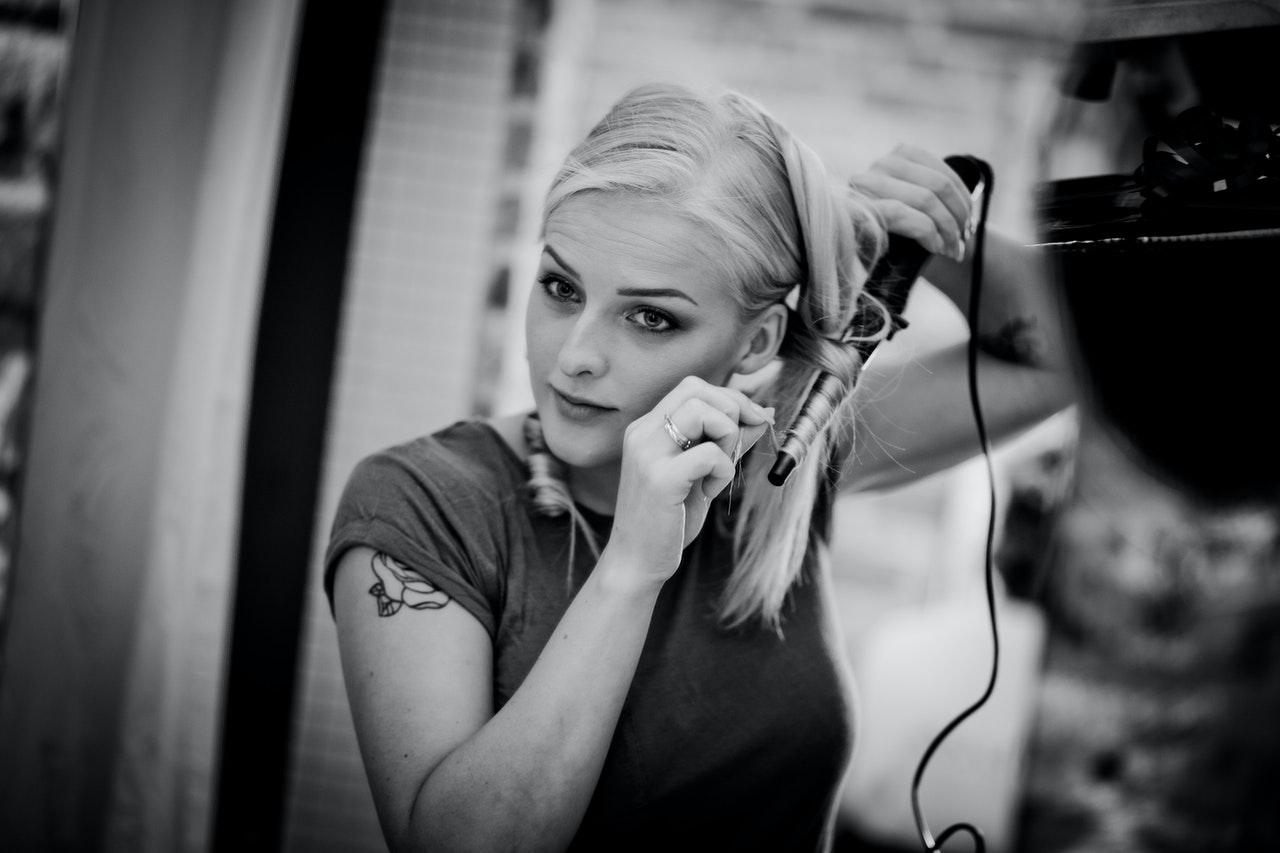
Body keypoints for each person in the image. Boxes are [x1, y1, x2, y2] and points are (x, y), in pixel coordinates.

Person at [324, 82, 1072, 852]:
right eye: (561, 286)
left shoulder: (781, 452)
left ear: (754, 344)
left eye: (651, 316)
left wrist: (944, 240)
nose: (575, 356)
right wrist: (632, 568)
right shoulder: (422, 503)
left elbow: (1075, 355)